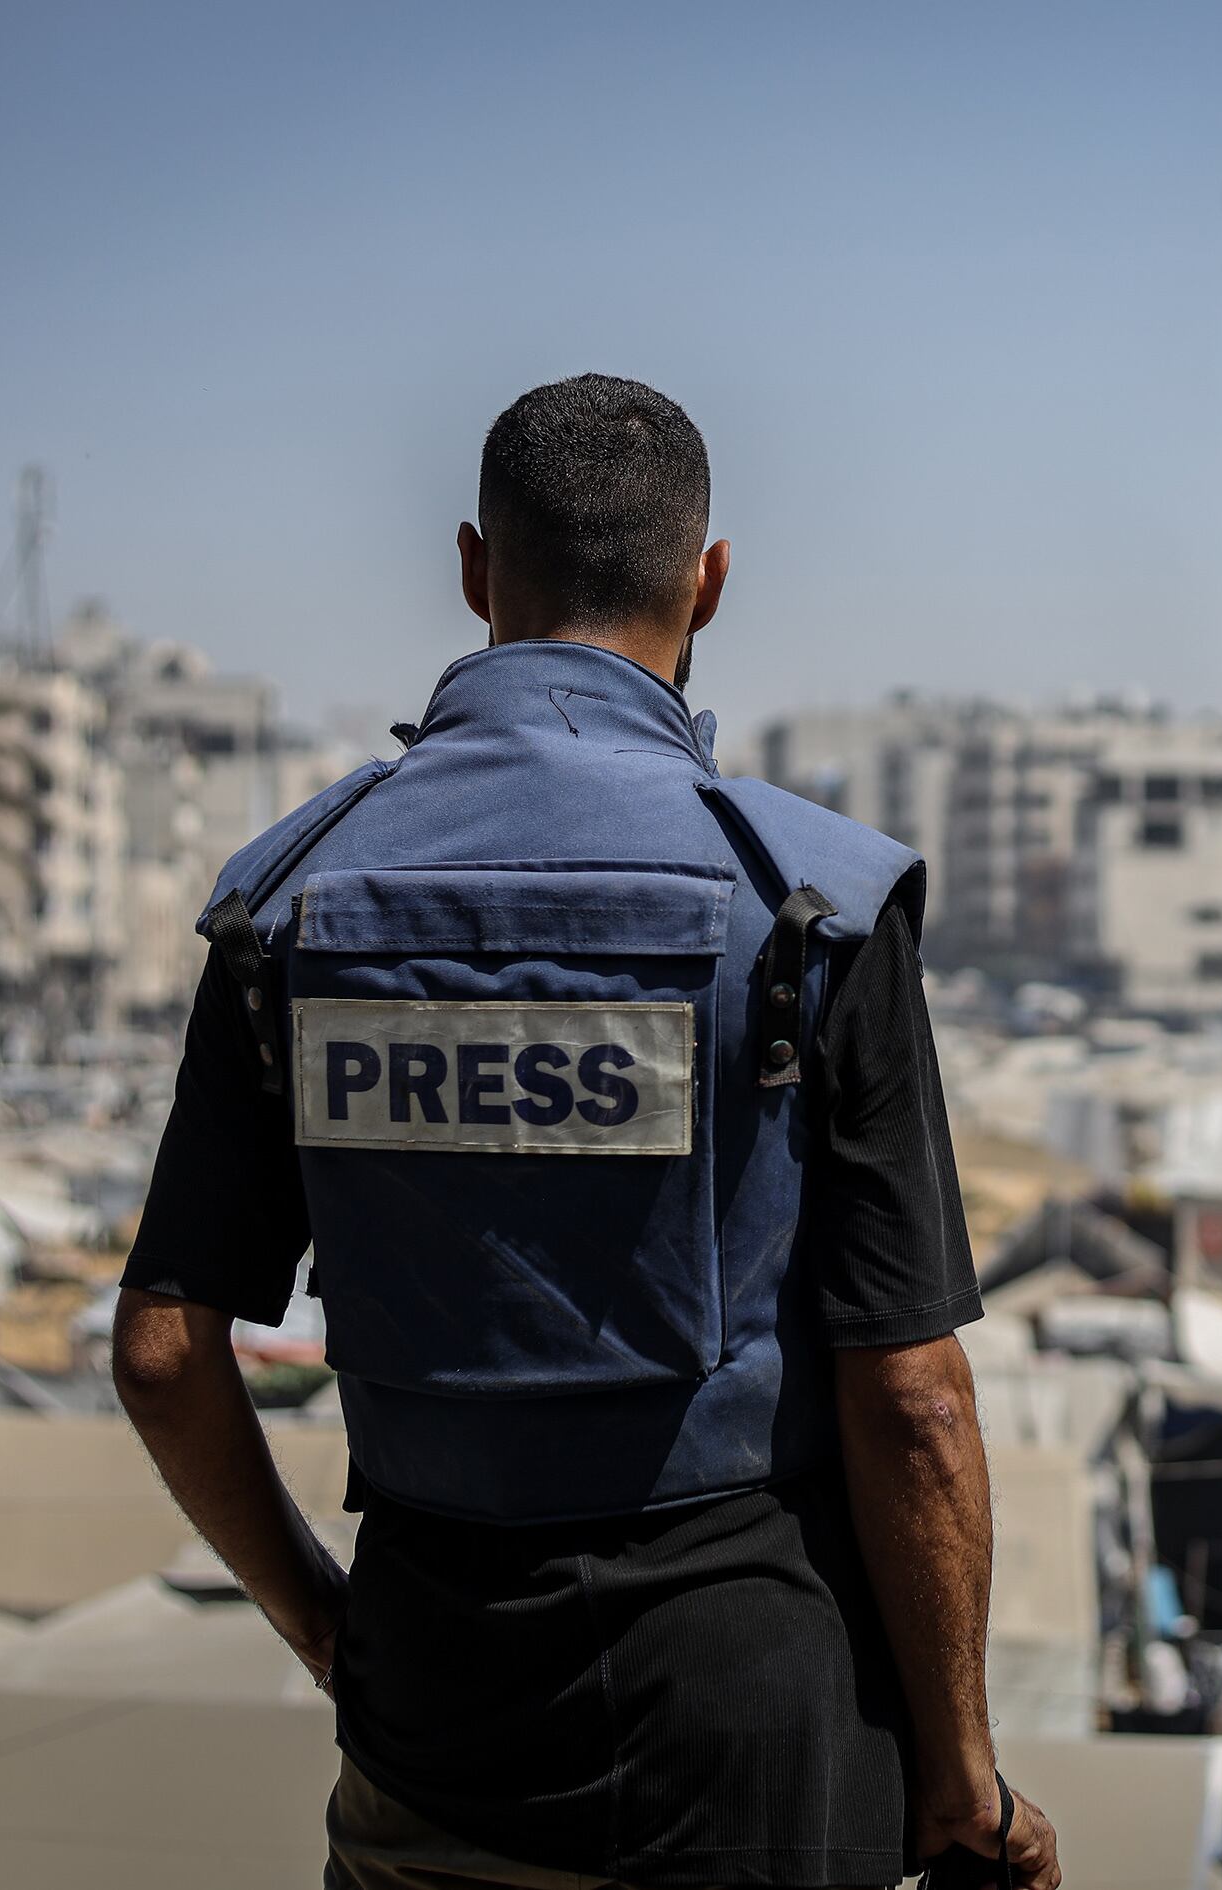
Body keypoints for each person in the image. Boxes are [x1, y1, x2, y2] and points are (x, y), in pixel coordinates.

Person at [112, 375, 1060, 1890]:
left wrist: (330, 1627)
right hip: (753, 1722)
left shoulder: (288, 899)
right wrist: (960, 1773)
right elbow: (916, 1403)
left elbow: (165, 1350)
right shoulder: (808, 903)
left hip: (432, 1708)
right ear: (711, 582)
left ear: (478, 570)